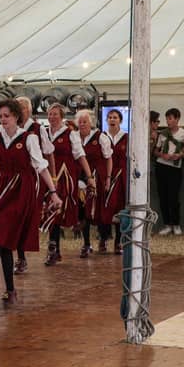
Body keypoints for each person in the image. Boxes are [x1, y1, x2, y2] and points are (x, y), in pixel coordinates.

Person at [0, 99, 61, 303]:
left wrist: (52, 191)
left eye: (7, 116)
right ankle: (9, 289)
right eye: (0, 116)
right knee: (3, 241)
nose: (3, 119)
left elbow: (41, 166)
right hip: (2, 188)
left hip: (22, 192)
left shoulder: (29, 138)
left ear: (16, 116)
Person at [44, 103, 94, 265]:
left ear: (62, 116)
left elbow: (80, 155)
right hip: (48, 177)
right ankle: (54, 248)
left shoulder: (70, 134)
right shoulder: (44, 133)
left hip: (64, 177)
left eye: (55, 114)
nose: (52, 117)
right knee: (50, 211)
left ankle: (54, 247)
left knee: (58, 210)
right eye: (50, 114)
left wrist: (89, 176)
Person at [13, 96, 55, 274]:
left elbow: (49, 153)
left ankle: (52, 246)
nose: (20, 111)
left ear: (29, 110)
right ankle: (20, 257)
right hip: (13, 178)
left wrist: (53, 178)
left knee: (32, 215)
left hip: (34, 178)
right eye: (17, 107)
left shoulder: (38, 129)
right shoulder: (8, 127)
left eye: (22, 108)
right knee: (16, 217)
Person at [75, 109, 113, 256]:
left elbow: (108, 158)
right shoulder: (74, 137)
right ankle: (86, 243)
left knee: (99, 210)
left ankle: (103, 239)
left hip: (97, 177)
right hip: (79, 176)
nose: (82, 124)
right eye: (80, 121)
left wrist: (108, 178)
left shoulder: (101, 137)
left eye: (85, 121)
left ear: (91, 122)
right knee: (83, 211)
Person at [154, 108, 184, 236]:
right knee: (163, 197)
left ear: (177, 119)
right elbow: (155, 151)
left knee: (173, 197)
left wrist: (180, 155)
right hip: (161, 166)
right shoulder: (162, 134)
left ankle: (176, 224)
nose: (168, 121)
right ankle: (167, 224)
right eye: (167, 118)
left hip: (175, 168)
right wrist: (163, 155)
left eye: (170, 118)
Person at [104, 109, 128, 254]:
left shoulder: (126, 137)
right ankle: (104, 237)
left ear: (120, 120)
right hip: (105, 175)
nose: (112, 120)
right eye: (110, 117)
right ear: (107, 120)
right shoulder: (102, 136)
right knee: (105, 207)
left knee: (119, 208)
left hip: (121, 175)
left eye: (115, 117)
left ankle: (119, 240)